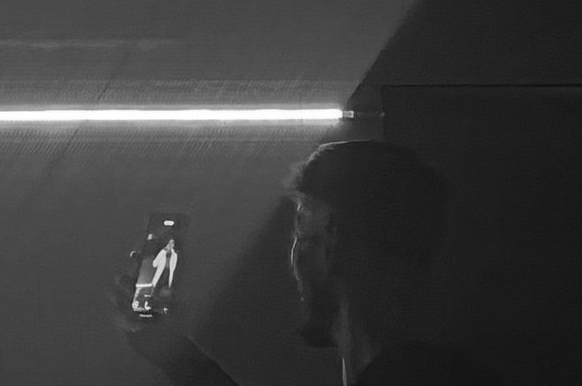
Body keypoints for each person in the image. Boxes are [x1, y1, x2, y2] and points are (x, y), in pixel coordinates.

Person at [113, 140, 500, 385]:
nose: (294, 252)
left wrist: (178, 358)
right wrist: (174, 354)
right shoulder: (435, 371)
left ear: (332, 232)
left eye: (301, 222)